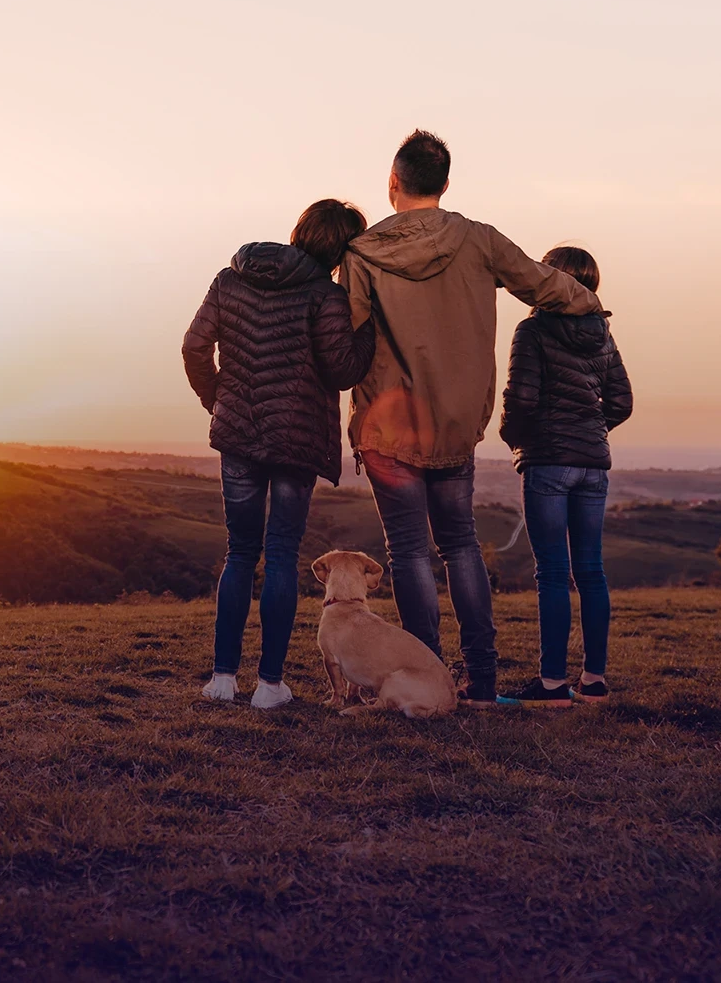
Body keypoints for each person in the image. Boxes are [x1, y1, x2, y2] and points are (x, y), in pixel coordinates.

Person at [341, 131, 601, 706]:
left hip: (389, 429)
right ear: (446, 184)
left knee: (408, 551)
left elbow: (345, 341)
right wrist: (589, 307)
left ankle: (426, 674)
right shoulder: (479, 240)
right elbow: (543, 282)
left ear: (393, 183)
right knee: (460, 545)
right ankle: (480, 681)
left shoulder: (362, 255)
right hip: (457, 426)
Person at [182, 199, 378, 709]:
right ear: (341, 250)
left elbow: (193, 346)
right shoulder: (326, 296)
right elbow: (342, 371)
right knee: (283, 555)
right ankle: (270, 686)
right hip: (296, 441)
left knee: (240, 553)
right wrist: (369, 327)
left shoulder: (230, 280)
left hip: (239, 438)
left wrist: (219, 401)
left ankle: (222, 679)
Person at [498, 246, 632, 707]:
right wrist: (589, 434)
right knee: (591, 571)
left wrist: (513, 438)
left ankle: (553, 685)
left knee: (553, 573)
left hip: (548, 462)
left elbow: (523, 398)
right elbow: (621, 403)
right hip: (593, 464)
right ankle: (594, 680)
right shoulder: (603, 335)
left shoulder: (532, 330)